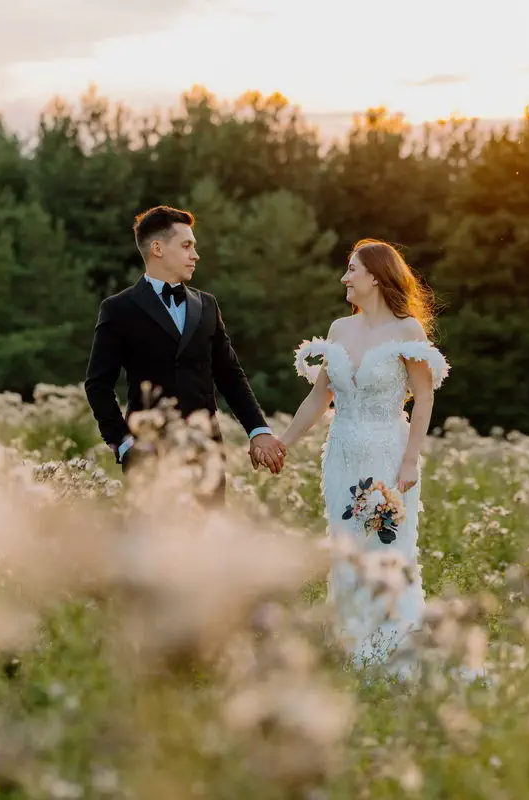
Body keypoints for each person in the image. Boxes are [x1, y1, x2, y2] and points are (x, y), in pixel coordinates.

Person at [278, 239, 448, 675]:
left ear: (375, 275)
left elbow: (424, 401)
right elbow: (319, 399)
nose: (344, 277)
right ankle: (352, 642)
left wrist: (410, 461)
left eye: (351, 269)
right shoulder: (339, 329)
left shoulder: (407, 331)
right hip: (341, 455)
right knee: (346, 547)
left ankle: (394, 648)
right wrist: (283, 442)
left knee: (387, 547)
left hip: (389, 455)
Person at [83, 205, 287, 504]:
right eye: (187, 245)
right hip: (151, 456)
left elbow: (230, 374)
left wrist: (258, 430)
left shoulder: (207, 305)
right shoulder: (118, 309)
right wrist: (123, 444)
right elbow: (98, 385)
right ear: (157, 248)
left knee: (207, 547)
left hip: (208, 453)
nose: (195, 254)